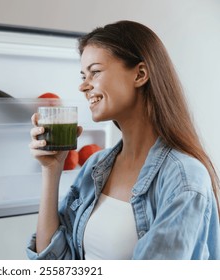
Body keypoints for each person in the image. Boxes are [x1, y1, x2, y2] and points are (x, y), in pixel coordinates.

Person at [27, 20, 220, 260]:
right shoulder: (96, 166)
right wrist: (51, 170)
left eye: (95, 72)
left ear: (140, 74)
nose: (83, 86)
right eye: (83, 75)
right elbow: (52, 265)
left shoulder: (184, 178)